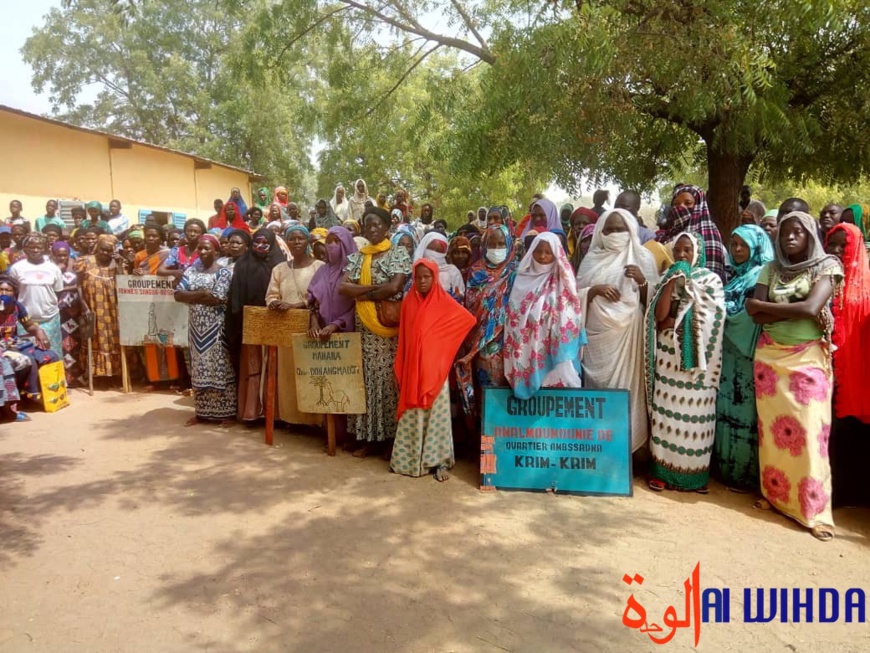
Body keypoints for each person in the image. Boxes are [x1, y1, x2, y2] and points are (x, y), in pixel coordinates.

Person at [745, 211, 841, 541]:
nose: (789, 237)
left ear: (810, 234)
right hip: (770, 359)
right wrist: (788, 307)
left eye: (797, 231)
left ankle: (816, 513)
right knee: (773, 435)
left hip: (808, 358)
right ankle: (776, 497)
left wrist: (770, 308)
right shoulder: (770, 269)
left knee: (811, 434)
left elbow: (811, 309)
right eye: (784, 232)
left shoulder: (827, 266)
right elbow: (752, 313)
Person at [646, 232, 725, 493]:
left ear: (697, 253)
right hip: (669, 361)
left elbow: (712, 319)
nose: (681, 255)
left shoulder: (710, 280)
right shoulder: (667, 278)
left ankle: (695, 476)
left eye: (687, 250)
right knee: (666, 417)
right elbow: (659, 317)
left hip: (700, 365)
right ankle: (661, 472)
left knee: (696, 420)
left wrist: (675, 320)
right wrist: (672, 281)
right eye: (677, 250)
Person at [576, 209, 659, 453]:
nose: (614, 234)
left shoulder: (643, 257)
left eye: (619, 229)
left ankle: (627, 452)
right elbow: (575, 297)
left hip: (629, 338)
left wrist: (643, 281)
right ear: (600, 232)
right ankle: (598, 451)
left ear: (631, 230)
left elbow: (654, 303)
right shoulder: (591, 259)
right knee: (597, 396)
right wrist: (593, 291)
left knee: (627, 393)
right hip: (597, 341)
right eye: (609, 229)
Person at [392, 259, 475, 480]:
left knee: (437, 415)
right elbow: (405, 338)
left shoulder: (444, 302)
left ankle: (438, 462)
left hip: (435, 371)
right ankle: (409, 459)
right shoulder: (409, 303)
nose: (422, 281)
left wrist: (443, 348)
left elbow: (467, 320)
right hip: (413, 369)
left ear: (435, 277)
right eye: (418, 277)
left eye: (426, 277)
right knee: (414, 411)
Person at [339, 207, 412, 456]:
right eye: (367, 225)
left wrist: (364, 293)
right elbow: (344, 288)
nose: (372, 229)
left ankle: (389, 439)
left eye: (376, 224)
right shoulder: (359, 256)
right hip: (363, 328)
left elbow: (395, 286)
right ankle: (368, 436)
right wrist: (374, 290)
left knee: (387, 382)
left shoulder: (398, 252)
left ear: (386, 227)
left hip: (388, 330)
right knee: (365, 382)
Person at [714, 225, 774, 491]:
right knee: (726, 409)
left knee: (745, 413)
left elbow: (746, 317)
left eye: (743, 245)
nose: (737, 250)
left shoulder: (761, 274)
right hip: (728, 356)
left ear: (757, 247)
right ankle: (726, 469)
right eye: (734, 244)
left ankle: (744, 474)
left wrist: (719, 311)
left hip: (746, 356)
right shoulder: (737, 276)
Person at [503, 232, 585, 398]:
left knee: (558, 386)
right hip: (526, 344)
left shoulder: (564, 278)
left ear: (556, 254)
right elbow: (513, 312)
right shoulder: (521, 277)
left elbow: (571, 309)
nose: (542, 256)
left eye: (548, 252)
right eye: (538, 251)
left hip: (553, 342)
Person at [824, 222, 870, 507]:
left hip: (852, 374)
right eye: (833, 244)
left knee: (847, 434)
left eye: (845, 245)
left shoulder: (864, 292)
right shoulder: (821, 280)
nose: (838, 250)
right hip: (821, 370)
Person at [456, 225, 519, 419]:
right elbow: (470, 308)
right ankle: (486, 443)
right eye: (492, 244)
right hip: (482, 346)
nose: (497, 248)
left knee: (511, 396)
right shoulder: (475, 273)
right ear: (484, 246)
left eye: (501, 244)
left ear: (509, 245)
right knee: (487, 394)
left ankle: (507, 441)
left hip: (512, 343)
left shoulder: (517, 271)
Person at [265, 224, 324, 427]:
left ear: (308, 241)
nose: (296, 242)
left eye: (300, 238)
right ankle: (292, 419)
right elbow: (271, 295)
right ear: (286, 242)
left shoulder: (319, 267)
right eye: (292, 239)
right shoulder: (279, 269)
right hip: (286, 327)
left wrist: (297, 305)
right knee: (289, 374)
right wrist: (274, 303)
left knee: (311, 373)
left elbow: (322, 297)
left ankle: (315, 420)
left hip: (312, 326)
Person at [174, 234, 236, 425]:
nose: (201, 251)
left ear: (216, 251)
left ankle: (226, 413)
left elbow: (217, 297)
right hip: (196, 329)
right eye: (199, 248)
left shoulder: (224, 273)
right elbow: (177, 294)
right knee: (199, 369)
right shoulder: (191, 270)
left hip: (217, 328)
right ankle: (202, 413)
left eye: (206, 248)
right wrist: (201, 293)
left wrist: (192, 295)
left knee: (219, 367)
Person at [225, 228, 284, 422]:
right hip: (248, 324)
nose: (260, 246)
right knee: (252, 366)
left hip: (275, 324)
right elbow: (235, 297)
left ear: (272, 245)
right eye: (256, 242)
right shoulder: (242, 265)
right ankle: (251, 411)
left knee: (274, 366)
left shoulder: (280, 265)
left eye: (265, 243)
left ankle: (275, 414)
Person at [0, 274, 60, 402]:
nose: (3, 293)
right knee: (27, 360)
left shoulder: (17, 306)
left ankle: (47, 393)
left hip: (13, 344)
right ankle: (26, 396)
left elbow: (29, 325)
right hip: (2, 348)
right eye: (1, 290)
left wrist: (38, 330)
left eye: (8, 290)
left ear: (14, 293)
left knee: (49, 355)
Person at [76, 234, 123, 384]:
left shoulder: (117, 265)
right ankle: (95, 375)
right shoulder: (86, 262)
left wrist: (120, 263)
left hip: (113, 311)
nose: (105, 253)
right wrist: (83, 306)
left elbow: (123, 285)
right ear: (97, 247)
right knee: (94, 339)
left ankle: (114, 375)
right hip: (92, 308)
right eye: (102, 250)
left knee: (113, 340)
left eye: (109, 251)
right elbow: (77, 286)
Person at [656, 185, 726, 282]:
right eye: (676, 204)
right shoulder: (667, 236)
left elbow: (711, 277)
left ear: (698, 205)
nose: (681, 207)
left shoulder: (709, 235)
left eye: (688, 203)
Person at [8, 233, 64, 354]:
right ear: (25, 248)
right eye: (31, 247)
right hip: (25, 321)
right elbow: (13, 294)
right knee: (28, 355)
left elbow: (57, 292)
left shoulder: (53, 269)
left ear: (46, 248)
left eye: (39, 247)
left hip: (50, 319)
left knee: (51, 354)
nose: (35, 250)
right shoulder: (16, 268)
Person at [50, 241, 85, 386]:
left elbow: (81, 285)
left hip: (75, 312)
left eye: (65, 255)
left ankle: (75, 377)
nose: (62, 258)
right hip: (58, 312)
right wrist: (58, 271)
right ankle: (62, 377)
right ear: (53, 254)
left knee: (75, 344)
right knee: (60, 344)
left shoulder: (77, 264)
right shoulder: (49, 267)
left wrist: (66, 288)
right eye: (59, 255)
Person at [413, 232, 465, 301]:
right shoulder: (416, 270)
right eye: (431, 249)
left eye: (439, 251)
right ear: (424, 248)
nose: (434, 254)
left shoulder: (452, 272)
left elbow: (459, 295)